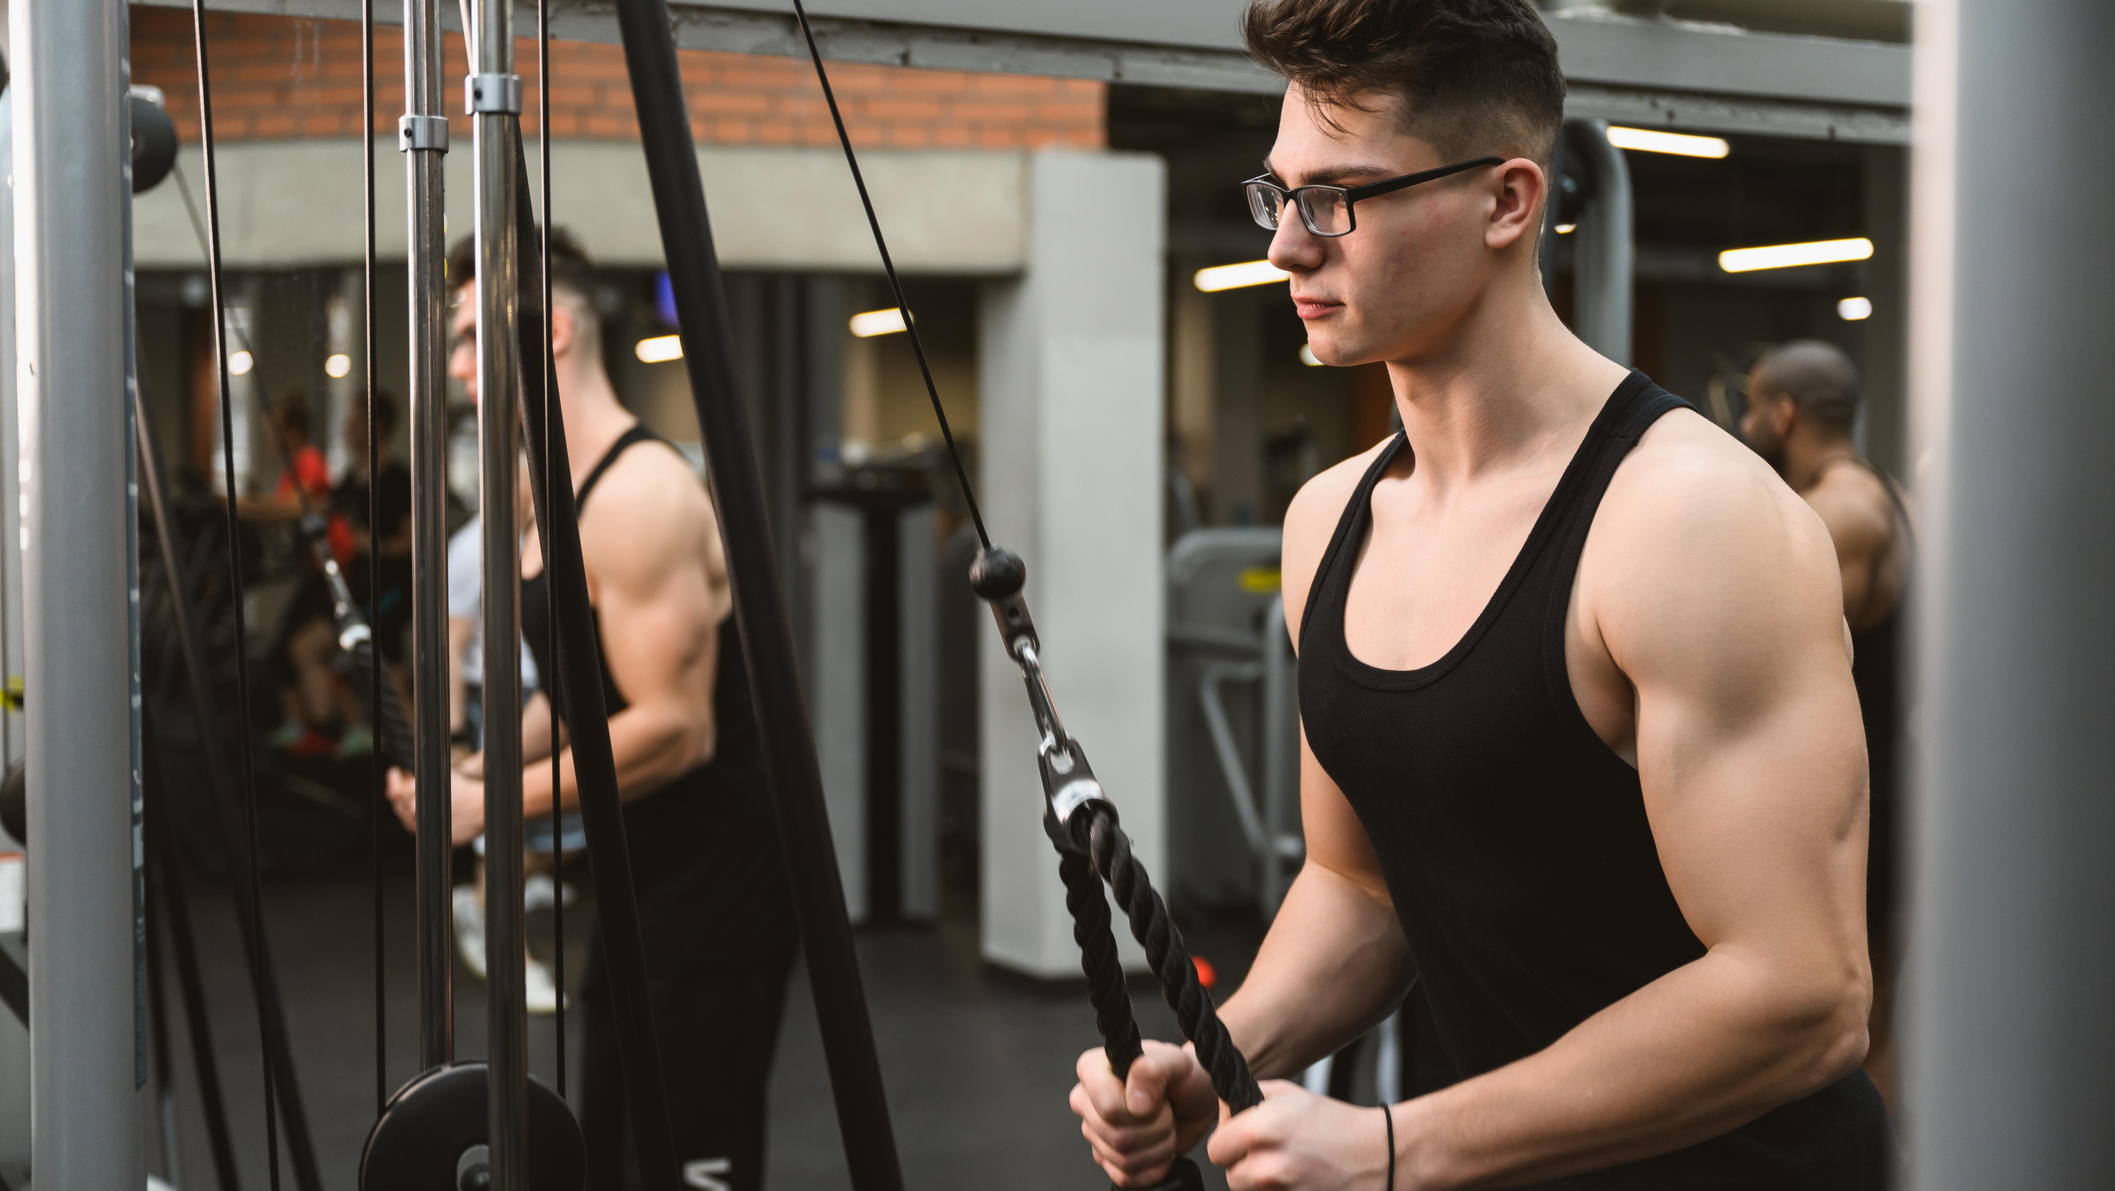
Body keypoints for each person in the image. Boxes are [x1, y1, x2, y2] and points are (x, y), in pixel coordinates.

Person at [1070, 2, 1891, 1188]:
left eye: (1337, 200)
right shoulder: (1328, 527)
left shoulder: (1689, 523)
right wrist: (1219, 1054)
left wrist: (1397, 1144)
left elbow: (1807, 993)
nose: (1287, 249)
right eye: (1278, 197)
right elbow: (1361, 889)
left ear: (1508, 201)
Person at [388, 229, 798, 1191]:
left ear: (553, 330)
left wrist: (491, 808)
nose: (454, 367)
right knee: (609, 1142)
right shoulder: (543, 497)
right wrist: (475, 772)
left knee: (689, 1162)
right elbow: (579, 698)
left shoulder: (638, 496)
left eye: (464, 338)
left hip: (717, 887)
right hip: (635, 877)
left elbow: (673, 725)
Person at [1739, 340, 1911, 1112]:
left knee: (1849, 1030)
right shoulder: (1889, 494)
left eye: (1750, 407)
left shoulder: (1835, 517)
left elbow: (1755, 656)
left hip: (1855, 807)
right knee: (1867, 1019)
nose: (1744, 422)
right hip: (1873, 795)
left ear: (1782, 414)